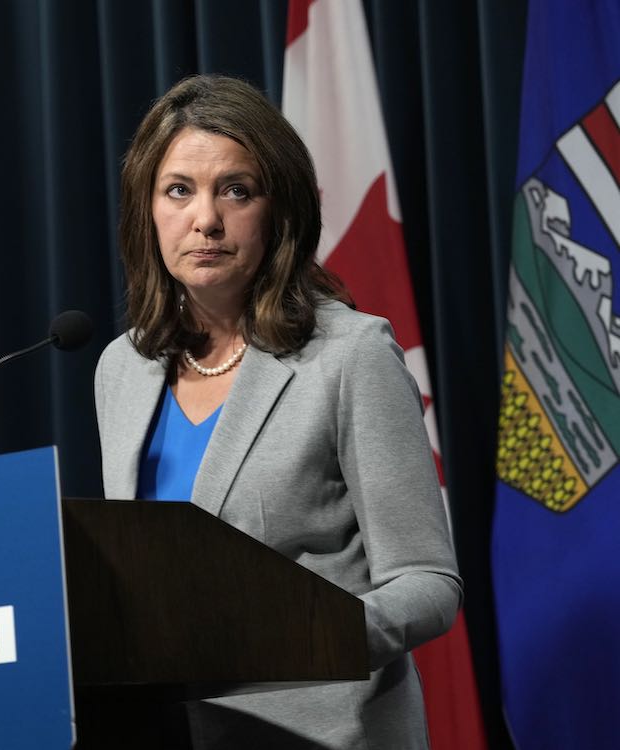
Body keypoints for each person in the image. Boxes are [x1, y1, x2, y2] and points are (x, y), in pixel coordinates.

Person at [94, 74, 462, 749]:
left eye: (236, 190)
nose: (205, 219)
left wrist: (304, 639)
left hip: (323, 736)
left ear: (279, 209)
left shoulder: (349, 356)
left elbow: (428, 584)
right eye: (179, 190)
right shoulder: (123, 367)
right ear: (146, 211)